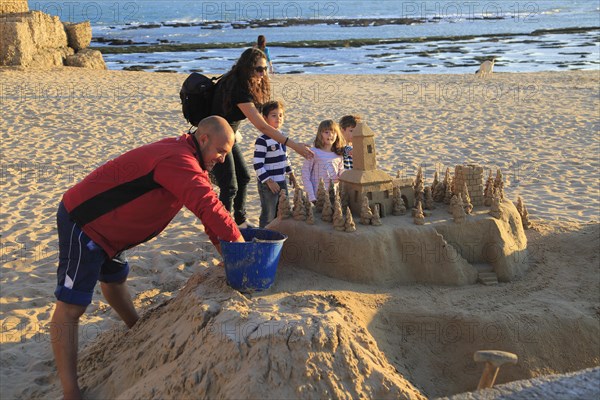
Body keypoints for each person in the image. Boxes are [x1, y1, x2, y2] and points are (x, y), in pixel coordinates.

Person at [50, 116, 245, 400]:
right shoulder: (178, 160)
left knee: (116, 281)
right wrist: (238, 247)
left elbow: (207, 213)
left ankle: (136, 329)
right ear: (203, 139)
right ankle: (71, 392)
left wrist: (227, 254)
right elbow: (208, 206)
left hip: (113, 232)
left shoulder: (190, 157)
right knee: (71, 307)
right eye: (220, 151)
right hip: (85, 224)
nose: (223, 159)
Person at [210, 47, 312, 227]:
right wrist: (294, 145)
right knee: (230, 186)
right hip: (213, 139)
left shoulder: (241, 83)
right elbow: (262, 126)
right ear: (247, 68)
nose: (263, 73)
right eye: (259, 69)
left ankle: (239, 222)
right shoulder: (239, 90)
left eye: (265, 69)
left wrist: (290, 142)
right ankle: (222, 227)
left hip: (228, 136)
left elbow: (263, 121)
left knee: (244, 178)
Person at [253, 100, 296, 227]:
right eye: (274, 115)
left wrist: (291, 173)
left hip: (281, 180)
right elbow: (257, 163)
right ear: (265, 118)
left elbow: (284, 157)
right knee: (268, 215)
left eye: (281, 115)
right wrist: (268, 181)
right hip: (268, 184)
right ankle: (262, 238)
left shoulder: (282, 136)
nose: (278, 118)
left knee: (283, 211)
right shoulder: (262, 140)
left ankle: (277, 237)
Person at [301, 120, 345, 203]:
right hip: (317, 196)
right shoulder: (313, 152)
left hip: (333, 196)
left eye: (333, 132)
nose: (330, 135)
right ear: (320, 134)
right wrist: (311, 196)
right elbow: (305, 174)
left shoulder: (339, 155)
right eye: (326, 132)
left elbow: (341, 174)